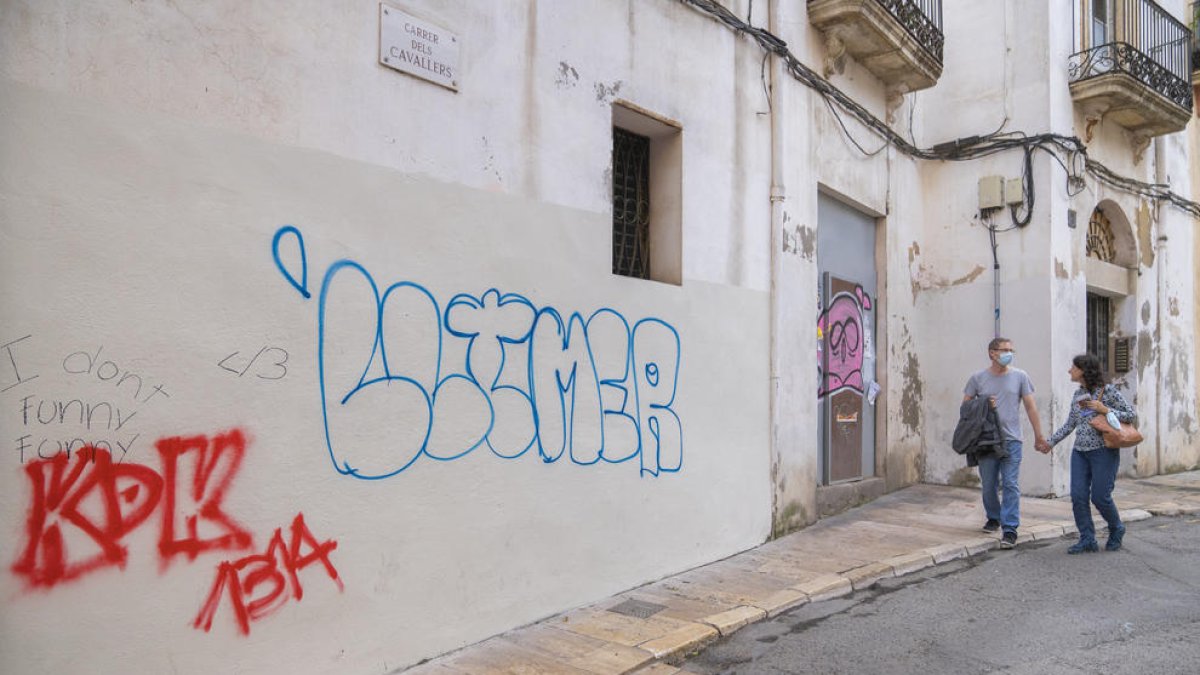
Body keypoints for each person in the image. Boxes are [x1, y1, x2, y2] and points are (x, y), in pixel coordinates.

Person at [1038, 354, 1135, 554]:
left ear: (1084, 370)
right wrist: (1050, 443)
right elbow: (1070, 424)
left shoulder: (1108, 392)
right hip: (1080, 452)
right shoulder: (1078, 395)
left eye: (1073, 367)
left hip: (1104, 452)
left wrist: (1105, 409)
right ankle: (1087, 539)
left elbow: (1131, 415)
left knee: (1100, 497)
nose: (1069, 370)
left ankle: (1116, 527)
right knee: (1078, 496)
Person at [963, 337, 1048, 549]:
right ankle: (993, 516)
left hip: (1012, 439)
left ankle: (1010, 529)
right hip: (986, 440)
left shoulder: (1020, 376)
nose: (1009, 353)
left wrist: (1039, 435)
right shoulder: (977, 378)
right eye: (1004, 350)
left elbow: (1030, 407)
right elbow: (965, 408)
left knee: (1010, 483)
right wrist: (982, 402)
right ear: (992, 353)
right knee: (989, 484)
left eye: (1011, 349)